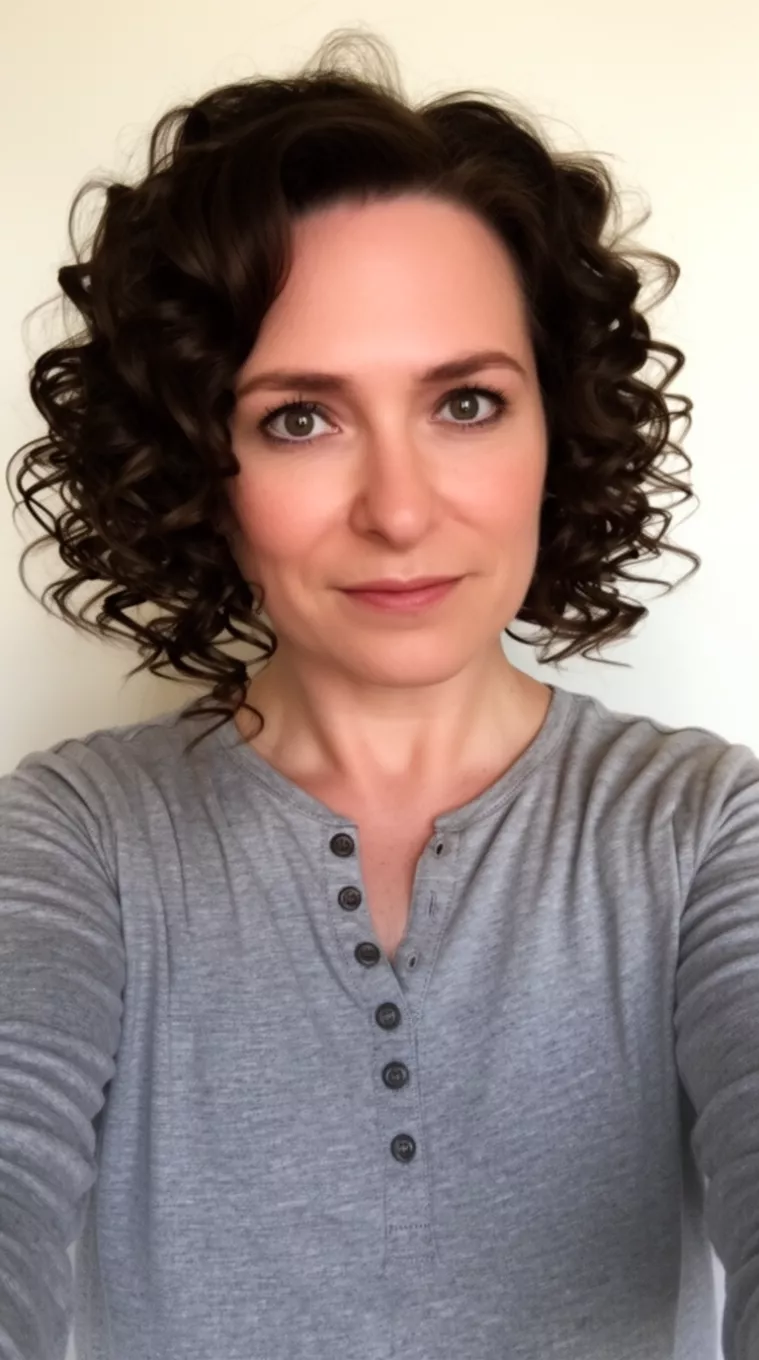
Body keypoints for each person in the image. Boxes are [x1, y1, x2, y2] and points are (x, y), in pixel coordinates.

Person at [2, 27, 758, 1360]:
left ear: (552, 428)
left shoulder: (703, 832)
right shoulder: (78, 842)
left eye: (464, 402)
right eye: (300, 416)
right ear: (198, 464)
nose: (400, 511)